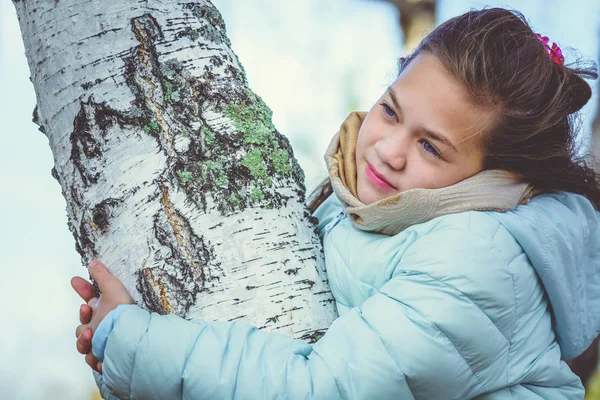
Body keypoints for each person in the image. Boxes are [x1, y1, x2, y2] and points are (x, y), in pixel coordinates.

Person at [72, 8, 600, 399]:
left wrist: (131, 341)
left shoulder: (482, 260)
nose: (388, 151)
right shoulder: (361, 205)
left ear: (497, 178)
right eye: (391, 112)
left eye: (430, 146)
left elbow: (323, 391)